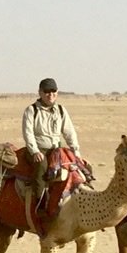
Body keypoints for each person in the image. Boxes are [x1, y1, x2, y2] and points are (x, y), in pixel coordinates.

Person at [21, 78, 88, 208]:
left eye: (53, 91)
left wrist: (76, 151)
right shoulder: (31, 110)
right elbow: (28, 133)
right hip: (38, 150)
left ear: (57, 92)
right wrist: (35, 151)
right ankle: (39, 204)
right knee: (42, 166)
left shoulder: (61, 110)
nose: (50, 95)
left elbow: (69, 132)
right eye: (47, 91)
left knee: (80, 166)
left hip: (56, 149)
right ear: (40, 93)